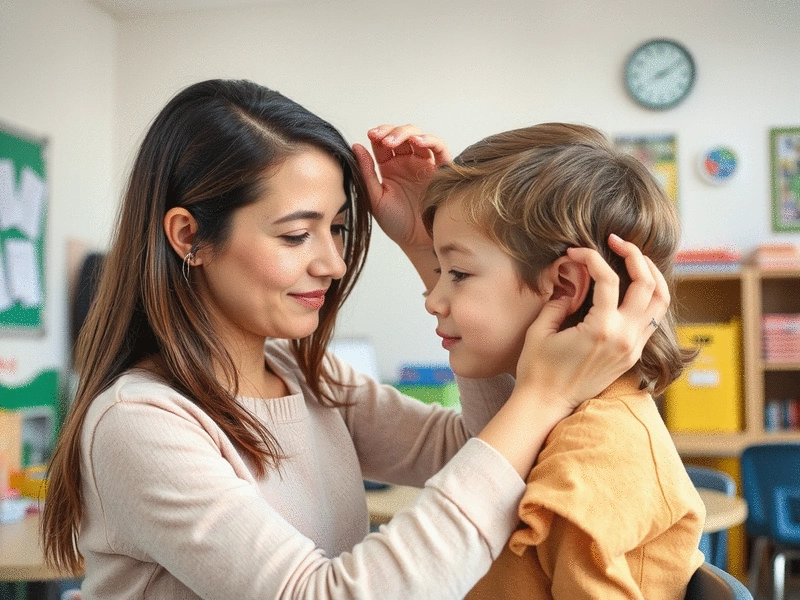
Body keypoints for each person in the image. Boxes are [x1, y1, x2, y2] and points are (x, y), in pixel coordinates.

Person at [41, 80, 668, 599]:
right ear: (188, 237)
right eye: (295, 236)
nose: (334, 264)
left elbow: (474, 449)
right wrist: (542, 396)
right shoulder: (142, 422)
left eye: (339, 229)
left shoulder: (307, 377)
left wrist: (431, 247)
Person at [419, 122, 706, 599]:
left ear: (566, 286)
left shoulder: (595, 458)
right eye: (438, 271)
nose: (433, 299)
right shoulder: (550, 418)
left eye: (459, 272)